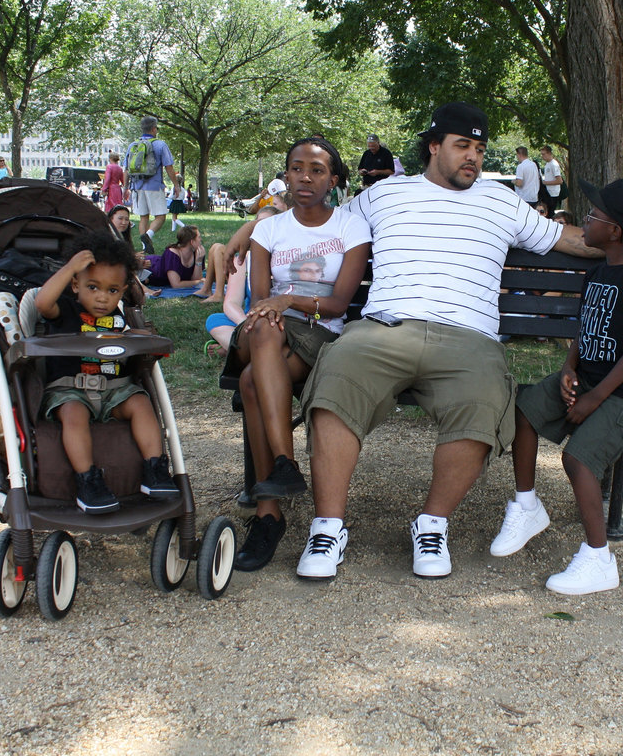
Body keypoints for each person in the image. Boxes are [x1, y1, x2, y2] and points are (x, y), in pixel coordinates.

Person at [230, 102, 598, 582]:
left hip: (469, 338)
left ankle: (432, 524)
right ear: (433, 147)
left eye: (480, 150)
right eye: (462, 146)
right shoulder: (385, 194)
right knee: (338, 380)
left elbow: (566, 238)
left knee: (485, 399)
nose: (473, 158)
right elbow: (318, 215)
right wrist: (253, 225)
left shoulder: (500, 200)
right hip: (384, 328)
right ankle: (328, 527)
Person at [491, 178, 623, 595]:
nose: (584, 222)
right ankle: (527, 504)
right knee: (526, 408)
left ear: (616, 231)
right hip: (585, 377)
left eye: (593, 216)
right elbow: (583, 330)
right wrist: (569, 368)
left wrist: (595, 396)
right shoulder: (599, 271)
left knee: (578, 460)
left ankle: (598, 557)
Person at [230, 137, 370, 572]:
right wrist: (275, 308)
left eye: (316, 170)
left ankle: (269, 514)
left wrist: (288, 301)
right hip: (265, 331)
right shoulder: (268, 229)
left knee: (253, 381)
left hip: (317, 331)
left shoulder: (349, 227)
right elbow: (258, 299)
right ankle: (284, 464)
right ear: (286, 174)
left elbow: (338, 304)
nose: (305, 177)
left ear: (333, 179)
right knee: (265, 330)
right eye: (296, 168)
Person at [35, 230, 179, 514]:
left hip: (116, 390)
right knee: (73, 415)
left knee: (141, 403)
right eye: (93, 287)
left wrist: (142, 340)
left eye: (112, 290)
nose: (102, 298)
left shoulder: (119, 316)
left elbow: (131, 342)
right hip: (70, 389)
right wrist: (69, 268)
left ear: (123, 291)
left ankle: (156, 468)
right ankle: (88, 479)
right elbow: (41, 303)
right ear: (75, 285)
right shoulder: (64, 309)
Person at [204, 207, 281, 354]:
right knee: (214, 320)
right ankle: (247, 350)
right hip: (246, 319)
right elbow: (231, 303)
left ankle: (235, 350)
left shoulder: (285, 257)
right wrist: (246, 324)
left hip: (278, 319)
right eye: (256, 224)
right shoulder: (244, 259)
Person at [122, 116, 182, 254]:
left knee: (144, 216)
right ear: (154, 129)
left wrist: (125, 188)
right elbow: (169, 168)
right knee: (161, 216)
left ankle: (145, 249)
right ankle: (148, 236)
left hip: (137, 187)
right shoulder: (160, 145)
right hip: (154, 186)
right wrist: (176, 185)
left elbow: (125, 169)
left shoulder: (133, 146)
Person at [538, 145, 564, 215]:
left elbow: (559, 181)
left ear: (549, 153)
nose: (542, 156)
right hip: (548, 192)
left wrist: (545, 183)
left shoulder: (554, 164)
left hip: (553, 193)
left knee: (550, 212)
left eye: (544, 154)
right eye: (541, 154)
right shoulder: (547, 164)